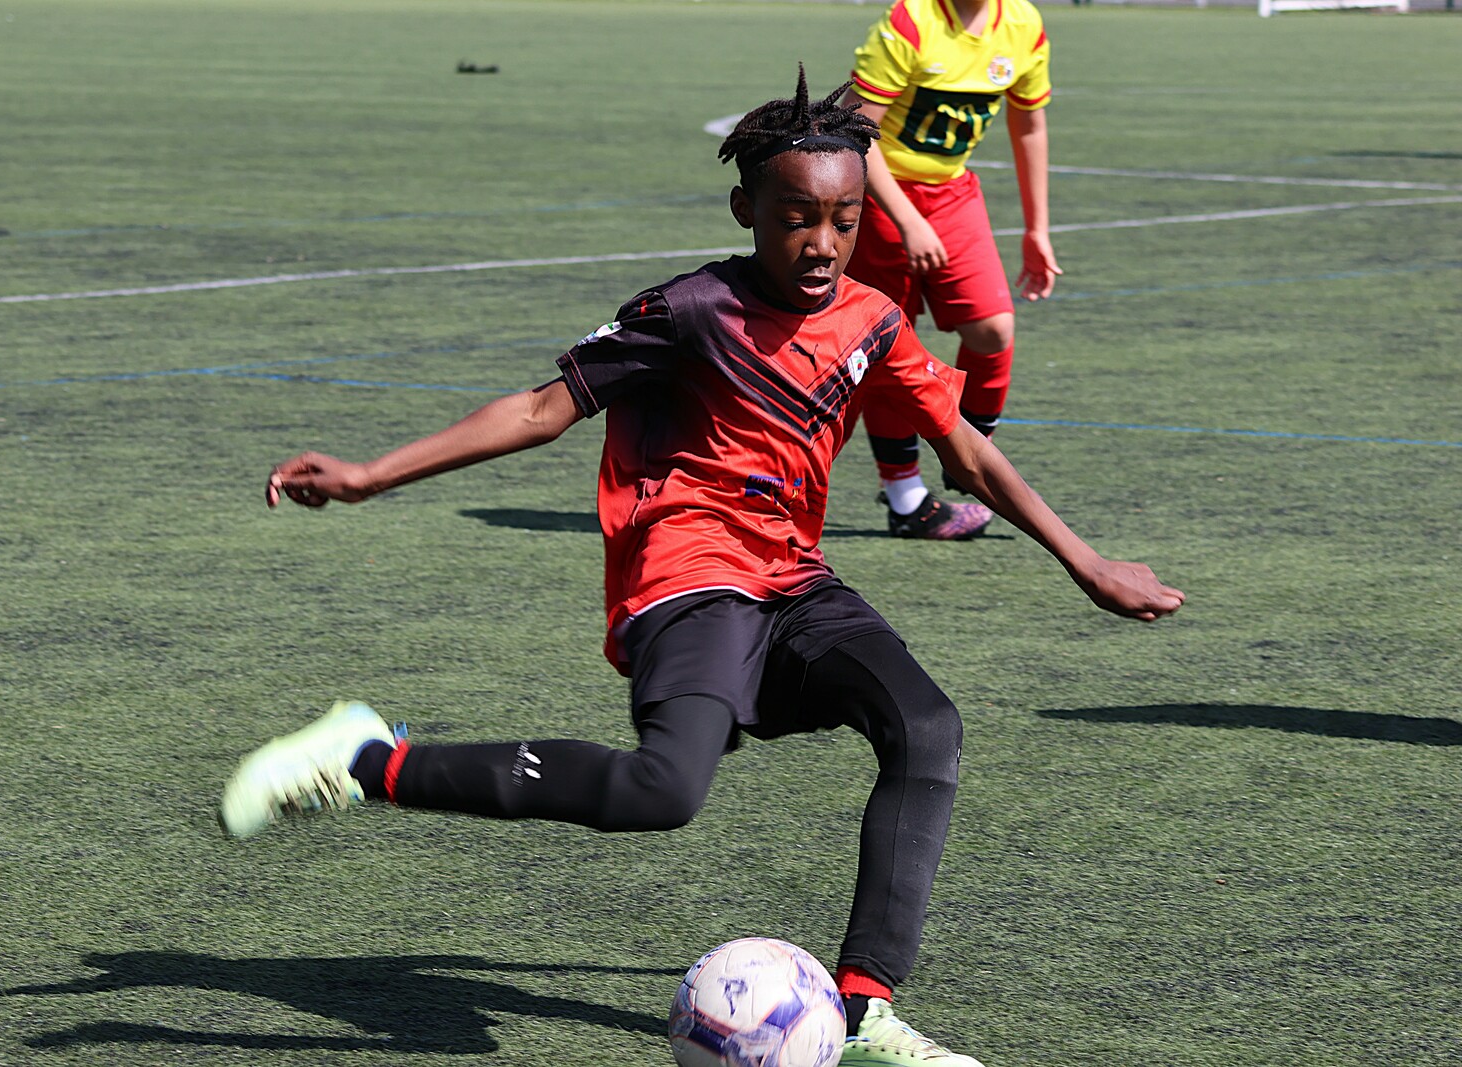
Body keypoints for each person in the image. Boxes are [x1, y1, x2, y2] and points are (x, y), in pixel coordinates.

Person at [221, 69, 1182, 1067]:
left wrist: (1085, 560)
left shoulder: (871, 319)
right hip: (689, 576)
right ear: (745, 210)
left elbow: (967, 452)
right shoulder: (689, 309)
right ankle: (367, 759)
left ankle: (861, 1013)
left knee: (926, 726)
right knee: (663, 791)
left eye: (844, 220)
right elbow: (542, 409)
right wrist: (370, 474)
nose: (822, 243)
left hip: (794, 581)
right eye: (796, 219)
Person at [842, 0, 1060, 540]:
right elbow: (852, 130)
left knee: (993, 328)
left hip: (953, 195)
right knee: (889, 345)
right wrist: (907, 220)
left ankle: (969, 456)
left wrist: (1037, 229)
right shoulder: (911, 22)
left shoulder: (1023, 25)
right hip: (880, 195)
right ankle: (906, 500)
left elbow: (1029, 126)